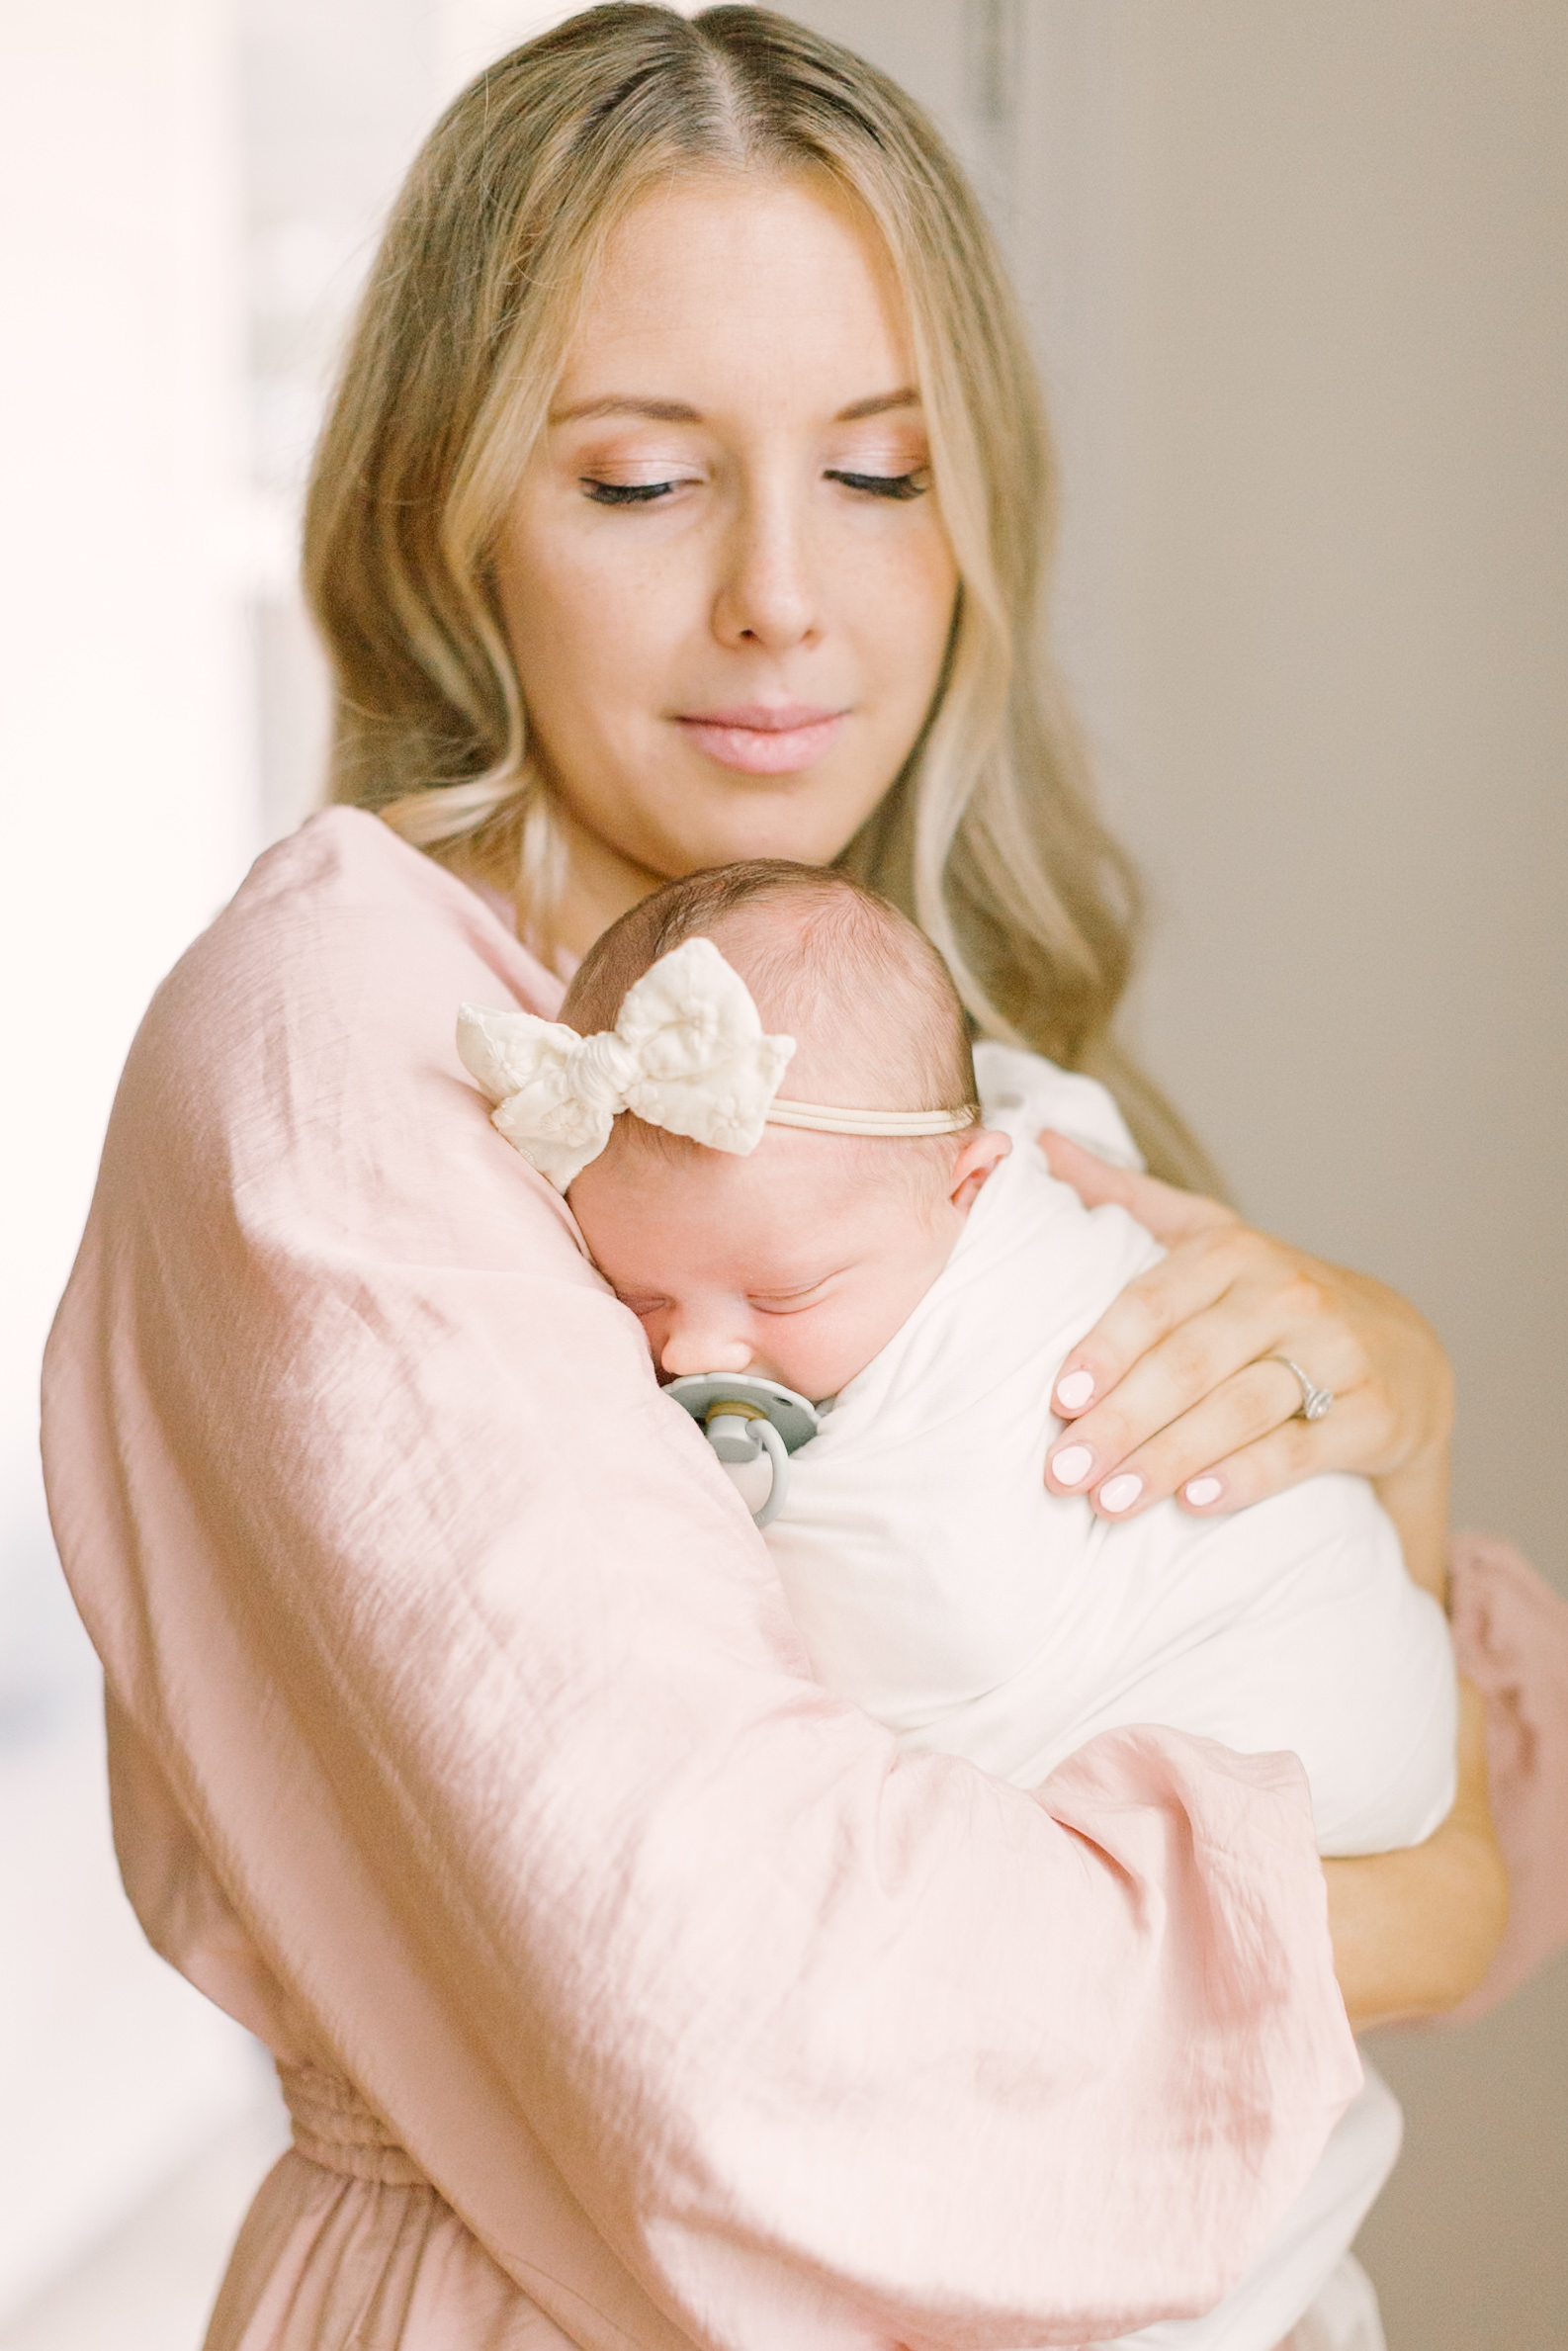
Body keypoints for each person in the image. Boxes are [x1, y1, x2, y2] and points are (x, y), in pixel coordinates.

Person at [42, 9, 1551, 2350]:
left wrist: (1400, 1399)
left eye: (881, 471)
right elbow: (742, 2008)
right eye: (643, 482)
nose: (783, 598)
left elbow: (1296, 1741)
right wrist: (1424, 1904)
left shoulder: (967, 1070)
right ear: (444, 514)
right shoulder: (345, 1048)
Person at [474, 857, 1458, 2348]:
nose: (700, 1354)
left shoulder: (984, 1380)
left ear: (973, 1183)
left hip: (1308, 1743)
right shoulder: (875, 1192)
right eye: (639, 1297)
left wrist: (1425, 1406)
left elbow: (898, 1653)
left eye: (783, 1296)